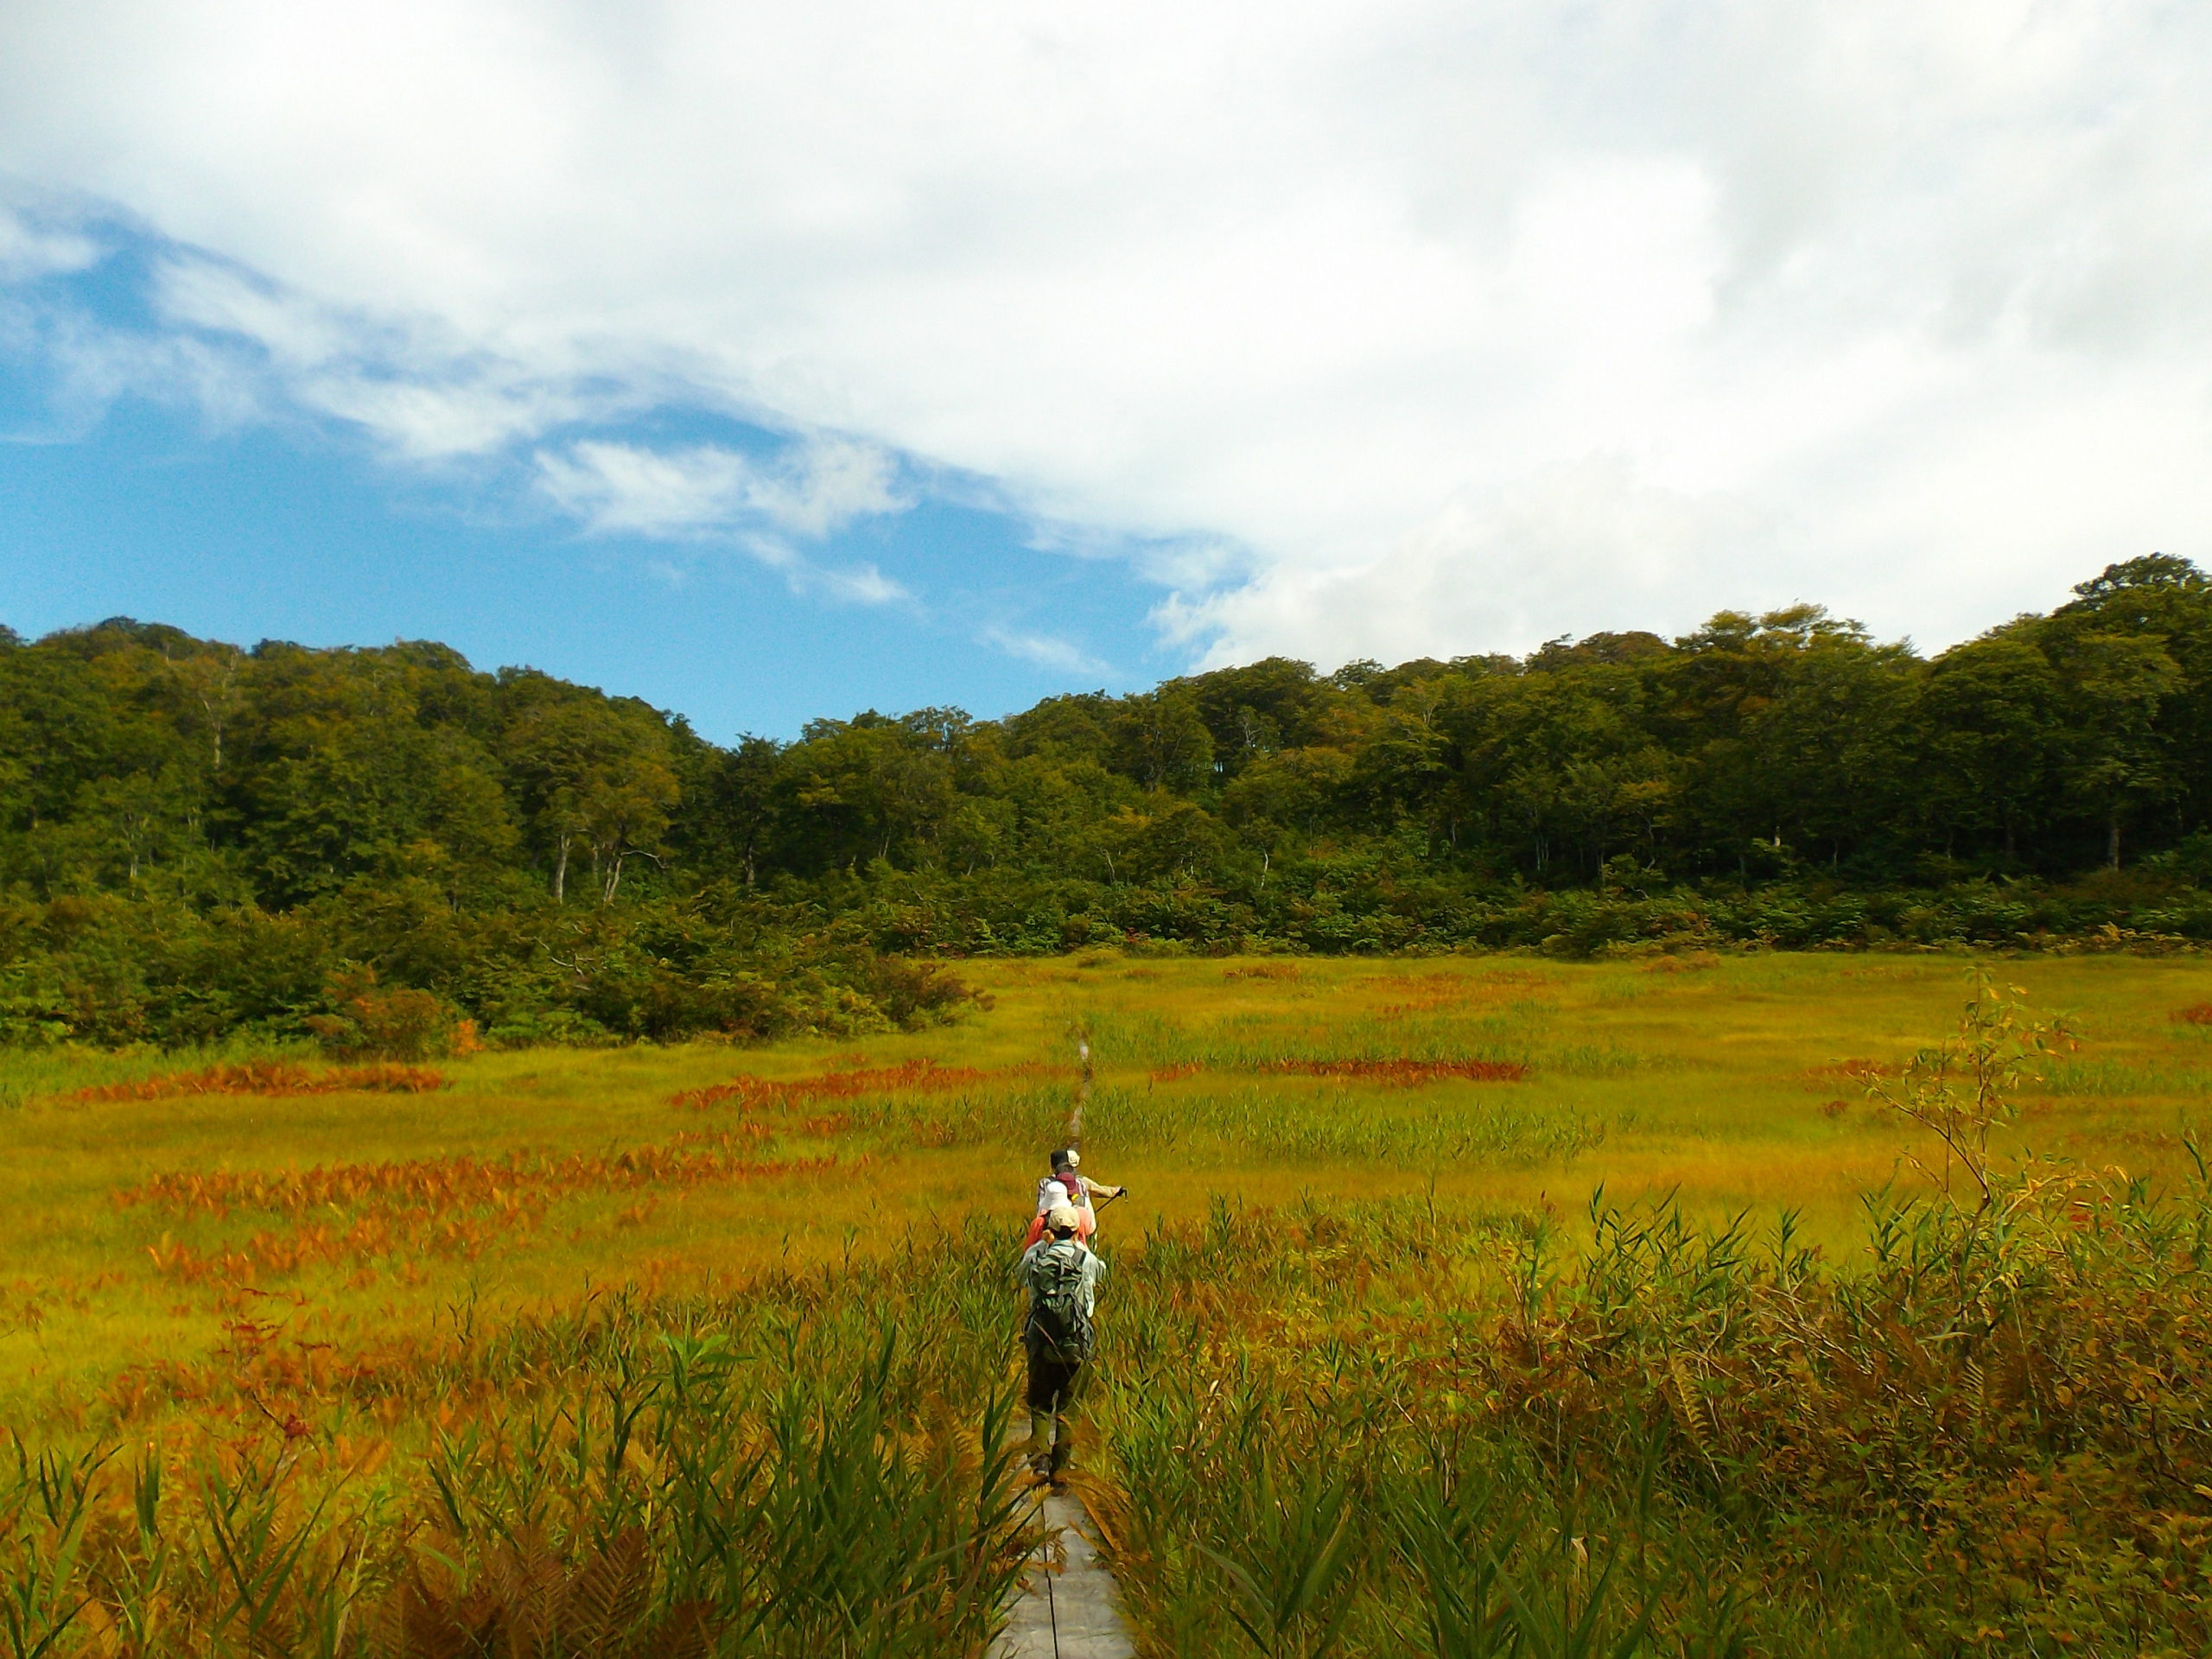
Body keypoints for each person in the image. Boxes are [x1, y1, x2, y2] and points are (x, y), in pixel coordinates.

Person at [1014, 1201, 1105, 1485]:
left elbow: (1019, 1278)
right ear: (1077, 1230)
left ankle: (1039, 1459)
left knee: (1040, 1404)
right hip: (1075, 1342)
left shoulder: (1035, 1257)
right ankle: (1061, 1471)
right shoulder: (1086, 1260)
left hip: (1041, 1340)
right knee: (1068, 1407)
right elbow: (1101, 1275)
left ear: (1050, 1230)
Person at [1022, 1147, 1126, 1249]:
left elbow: (1041, 1209)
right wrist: (1117, 1190)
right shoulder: (1081, 1182)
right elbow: (1100, 1191)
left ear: (1052, 1167)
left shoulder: (1046, 1184)